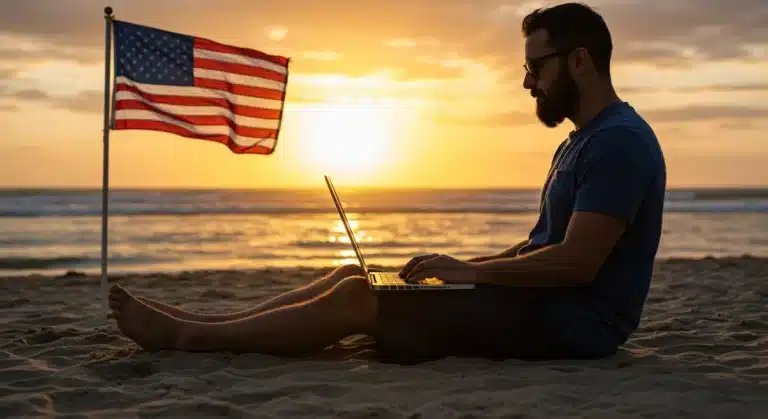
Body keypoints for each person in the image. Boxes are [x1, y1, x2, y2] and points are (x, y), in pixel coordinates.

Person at [110, 2, 666, 363]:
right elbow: (541, 247)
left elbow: (576, 264)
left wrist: (471, 273)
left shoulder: (618, 142)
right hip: (543, 305)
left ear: (579, 62)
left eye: (535, 67)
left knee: (358, 297)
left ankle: (191, 339)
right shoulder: (581, 141)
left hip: (573, 326)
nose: (527, 83)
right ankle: (210, 322)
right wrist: (458, 272)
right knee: (357, 272)